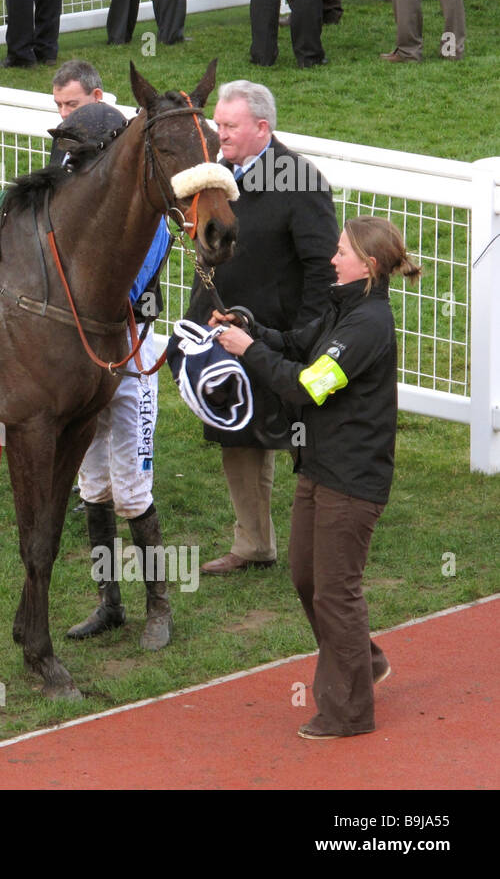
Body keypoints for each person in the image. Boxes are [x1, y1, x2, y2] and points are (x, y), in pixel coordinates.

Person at [213, 217, 421, 738]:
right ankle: (363, 661)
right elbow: (296, 344)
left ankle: (349, 711)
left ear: (368, 267)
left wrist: (247, 351)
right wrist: (250, 328)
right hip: (319, 468)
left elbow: (308, 387)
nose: (333, 258)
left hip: (351, 481)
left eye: (342, 252)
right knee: (307, 578)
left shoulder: (368, 325)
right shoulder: (342, 305)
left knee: (335, 592)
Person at [188, 79, 337, 575]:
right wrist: (196, 318)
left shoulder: (301, 181)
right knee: (237, 434)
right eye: (218, 124)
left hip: (281, 336)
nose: (219, 134)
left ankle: (322, 541)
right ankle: (253, 543)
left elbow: (323, 268)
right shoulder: (216, 174)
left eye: (229, 126)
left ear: (261, 127)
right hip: (221, 330)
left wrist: (308, 336)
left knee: (302, 439)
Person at [46, 85, 173, 651]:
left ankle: (159, 608)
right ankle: (108, 603)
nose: (73, 171)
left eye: (81, 160)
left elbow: (119, 292)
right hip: (79, 361)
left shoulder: (149, 219)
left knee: (131, 490)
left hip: (130, 359)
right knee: (92, 487)